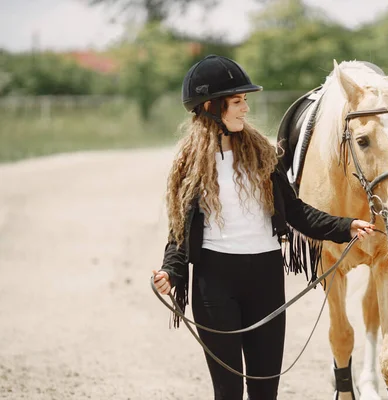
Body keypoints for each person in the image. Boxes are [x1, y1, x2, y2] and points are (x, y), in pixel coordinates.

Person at [152, 54, 374, 400]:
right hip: (215, 283)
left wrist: (345, 226)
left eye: (245, 101)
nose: (245, 109)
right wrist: (171, 272)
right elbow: (179, 233)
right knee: (228, 391)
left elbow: (296, 212)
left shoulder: (261, 154)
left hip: (266, 279)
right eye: (237, 101)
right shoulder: (189, 164)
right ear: (211, 106)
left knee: (264, 391)